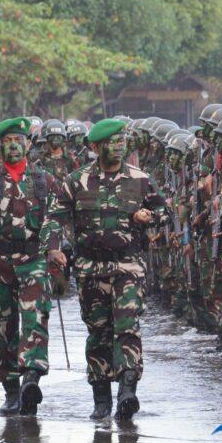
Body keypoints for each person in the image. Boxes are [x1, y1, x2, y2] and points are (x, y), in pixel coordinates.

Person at [41, 118, 167, 421]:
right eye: (113, 142)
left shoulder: (141, 179)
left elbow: (165, 213)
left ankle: (127, 391)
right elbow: (54, 218)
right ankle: (101, 399)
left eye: (122, 140)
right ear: (97, 147)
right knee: (98, 332)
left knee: (127, 326)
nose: (119, 146)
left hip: (128, 266)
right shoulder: (76, 181)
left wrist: (149, 217)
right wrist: (53, 248)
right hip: (90, 268)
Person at [0, 117, 55, 416]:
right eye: (7, 141)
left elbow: (56, 219)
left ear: (28, 144)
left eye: (19, 140)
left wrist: (58, 250)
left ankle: (31, 379)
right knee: (2, 328)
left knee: (35, 319)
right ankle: (11, 390)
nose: (14, 146)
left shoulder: (43, 179)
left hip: (34, 261)